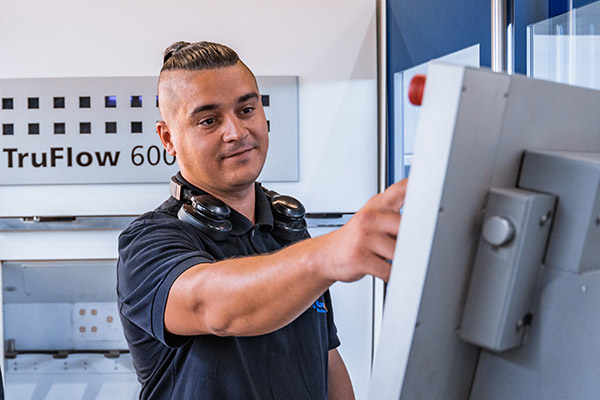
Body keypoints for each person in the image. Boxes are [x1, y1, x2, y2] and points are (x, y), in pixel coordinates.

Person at [117, 41, 407, 400]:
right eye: (209, 120)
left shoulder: (289, 229)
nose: (236, 131)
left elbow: (326, 359)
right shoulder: (149, 241)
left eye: (247, 109)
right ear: (168, 138)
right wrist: (327, 254)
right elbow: (214, 307)